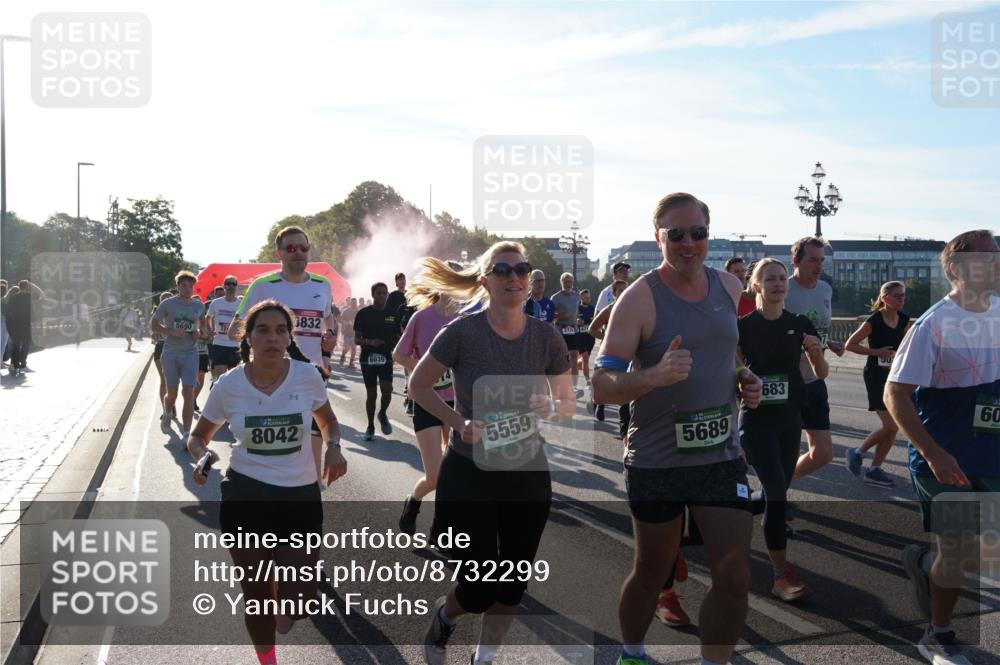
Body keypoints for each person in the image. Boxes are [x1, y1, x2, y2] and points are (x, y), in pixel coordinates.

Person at [591, 193, 762, 665]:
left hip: (720, 455)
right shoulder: (639, 298)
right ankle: (631, 652)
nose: (689, 243)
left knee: (734, 576)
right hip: (657, 458)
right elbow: (601, 386)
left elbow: (729, 353)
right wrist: (651, 376)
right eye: (677, 234)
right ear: (658, 237)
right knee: (652, 570)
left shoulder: (729, 287)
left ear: (710, 234)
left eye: (698, 233)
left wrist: (745, 379)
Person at [409, 241, 574, 665]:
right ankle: (446, 617)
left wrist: (550, 406)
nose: (515, 277)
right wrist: (458, 423)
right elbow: (418, 386)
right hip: (472, 471)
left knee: (513, 583)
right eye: (503, 270)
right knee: (480, 587)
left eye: (522, 269)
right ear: (485, 281)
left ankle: (484, 658)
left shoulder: (546, 336)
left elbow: (566, 400)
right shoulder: (462, 332)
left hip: (526, 471)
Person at [187, 299, 347, 665]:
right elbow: (198, 436)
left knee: (300, 601)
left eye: (280, 330)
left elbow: (329, 422)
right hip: (247, 495)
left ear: (289, 337)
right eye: (263, 330)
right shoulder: (228, 385)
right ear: (249, 337)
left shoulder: (306, 376)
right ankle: (267, 660)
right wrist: (203, 456)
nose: (273, 338)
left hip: (300, 497)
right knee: (257, 597)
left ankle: (283, 603)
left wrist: (334, 447)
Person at [887, 230, 1000, 665]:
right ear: (955, 269)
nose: (995, 264)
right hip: (945, 457)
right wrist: (932, 452)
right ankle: (939, 634)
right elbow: (894, 395)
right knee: (956, 549)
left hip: (990, 454)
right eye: (985, 257)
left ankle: (924, 564)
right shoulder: (932, 325)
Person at [738, 258, 826, 601]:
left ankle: (732, 508)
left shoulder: (800, 322)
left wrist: (816, 353)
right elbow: (730, 370)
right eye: (769, 279)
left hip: (790, 419)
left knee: (776, 491)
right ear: (756, 286)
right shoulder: (742, 325)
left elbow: (821, 372)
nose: (778, 283)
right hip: (757, 420)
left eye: (781, 278)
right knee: (776, 492)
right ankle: (780, 574)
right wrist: (742, 379)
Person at [230, 226, 337, 478]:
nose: (298, 253)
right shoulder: (263, 286)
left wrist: (330, 337)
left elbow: (329, 318)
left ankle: (311, 500)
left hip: (310, 377)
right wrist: (264, 335)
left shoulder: (323, 285)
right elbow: (236, 328)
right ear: (279, 253)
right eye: (291, 248)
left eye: (303, 247)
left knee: (312, 451)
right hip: (270, 380)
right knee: (270, 455)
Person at [392, 261, 461, 538]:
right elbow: (398, 355)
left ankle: (439, 527)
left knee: (456, 474)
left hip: (457, 403)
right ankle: (414, 502)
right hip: (427, 401)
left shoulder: (467, 319)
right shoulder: (422, 318)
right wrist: (424, 367)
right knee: (435, 476)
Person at [784, 237, 845, 484]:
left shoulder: (825, 289)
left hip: (816, 378)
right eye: (812, 260)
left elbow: (818, 326)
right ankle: (776, 499)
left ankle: (781, 483)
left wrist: (828, 342)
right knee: (784, 451)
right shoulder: (782, 289)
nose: (819, 266)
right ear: (796, 260)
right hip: (788, 383)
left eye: (821, 260)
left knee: (823, 454)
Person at [844, 281, 910, 487]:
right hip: (875, 376)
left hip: (895, 376)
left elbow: (907, 345)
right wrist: (878, 352)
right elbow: (850, 345)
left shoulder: (904, 319)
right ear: (884, 298)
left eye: (903, 296)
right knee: (891, 425)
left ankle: (874, 469)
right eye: (897, 296)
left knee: (892, 428)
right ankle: (857, 452)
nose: (902, 299)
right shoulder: (874, 321)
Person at [151, 272, 207, 439]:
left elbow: (203, 325)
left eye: (191, 286)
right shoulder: (168, 304)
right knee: (172, 394)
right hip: (171, 353)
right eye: (184, 286)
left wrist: (200, 332)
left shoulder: (198, 305)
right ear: (178, 287)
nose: (188, 289)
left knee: (189, 391)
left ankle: (187, 433)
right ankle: (167, 410)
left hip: (190, 352)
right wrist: (170, 331)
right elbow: (153, 324)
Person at [354, 282, 400, 441]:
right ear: (373, 295)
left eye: (384, 293)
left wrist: (397, 346)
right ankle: (370, 425)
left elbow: (396, 336)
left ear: (387, 294)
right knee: (372, 394)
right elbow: (356, 339)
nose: (381, 295)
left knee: (387, 390)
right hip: (368, 358)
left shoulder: (392, 314)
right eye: (378, 293)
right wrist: (369, 342)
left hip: (386, 357)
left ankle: (383, 413)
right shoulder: (363, 314)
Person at [587, 279, 628, 433]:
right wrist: (605, 337)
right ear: (613, 293)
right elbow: (592, 329)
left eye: (626, 290)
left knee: (625, 390)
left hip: (627, 353)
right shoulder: (609, 309)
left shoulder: (634, 309)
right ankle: (600, 405)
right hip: (610, 353)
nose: (623, 293)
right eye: (619, 290)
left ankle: (624, 427)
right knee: (604, 383)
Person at [551, 272, 584, 394]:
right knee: (562, 358)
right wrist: (561, 315)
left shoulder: (577, 296)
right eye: (565, 281)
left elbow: (577, 311)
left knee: (575, 356)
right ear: (561, 282)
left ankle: (574, 385)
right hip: (560, 328)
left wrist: (578, 319)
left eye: (570, 281)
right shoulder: (555, 297)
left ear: (572, 282)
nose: (568, 284)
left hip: (573, 328)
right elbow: (551, 314)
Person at [5, 280, 45, 377]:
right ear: (27, 287)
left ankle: (14, 365)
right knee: (26, 344)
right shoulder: (29, 296)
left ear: (19, 287)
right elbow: (42, 294)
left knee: (16, 345)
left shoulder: (13, 298)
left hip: (14, 325)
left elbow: (9, 312)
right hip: (25, 324)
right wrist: (33, 284)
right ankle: (22, 364)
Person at [207, 276, 243, 383]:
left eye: (233, 284)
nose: (231, 286)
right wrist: (210, 330)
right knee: (221, 378)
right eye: (228, 283)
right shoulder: (216, 303)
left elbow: (246, 320)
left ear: (236, 286)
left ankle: (230, 398)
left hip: (235, 345)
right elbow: (208, 317)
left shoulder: (240, 304)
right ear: (224, 286)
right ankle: (220, 397)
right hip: (219, 344)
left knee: (233, 379)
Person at [150, 292, 173, 416]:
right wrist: (154, 333)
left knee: (173, 380)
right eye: (163, 300)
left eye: (168, 299)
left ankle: (171, 403)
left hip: (174, 348)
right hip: (160, 347)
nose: (166, 302)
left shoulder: (177, 314)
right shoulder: (157, 315)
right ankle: (165, 409)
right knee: (164, 379)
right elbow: (152, 331)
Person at [577, 288, 596, 385]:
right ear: (581, 298)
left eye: (589, 298)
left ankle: (574, 365)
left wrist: (592, 320)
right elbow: (574, 319)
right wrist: (577, 321)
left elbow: (595, 320)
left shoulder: (592, 308)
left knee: (585, 359)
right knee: (585, 357)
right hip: (580, 336)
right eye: (585, 298)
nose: (588, 299)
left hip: (590, 336)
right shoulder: (577, 308)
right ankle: (588, 380)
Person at [339, 297, 358, 367]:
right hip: (347, 332)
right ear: (350, 303)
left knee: (354, 348)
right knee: (346, 348)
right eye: (353, 303)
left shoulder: (359, 312)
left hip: (355, 333)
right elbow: (341, 320)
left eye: (355, 303)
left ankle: (351, 362)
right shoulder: (346, 311)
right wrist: (347, 323)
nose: (354, 304)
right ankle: (343, 355)